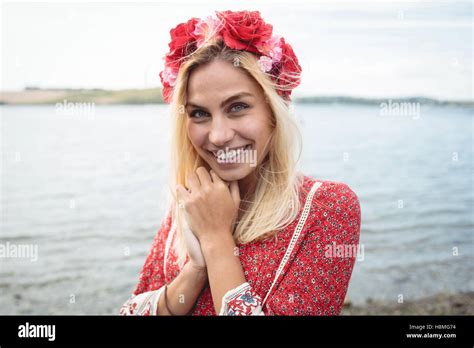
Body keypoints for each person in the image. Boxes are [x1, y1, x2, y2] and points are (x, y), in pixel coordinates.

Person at [120, 10, 361, 316]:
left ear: (274, 113)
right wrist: (195, 270)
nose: (218, 136)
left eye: (237, 107)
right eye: (199, 113)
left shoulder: (326, 208)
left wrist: (217, 240)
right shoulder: (191, 200)